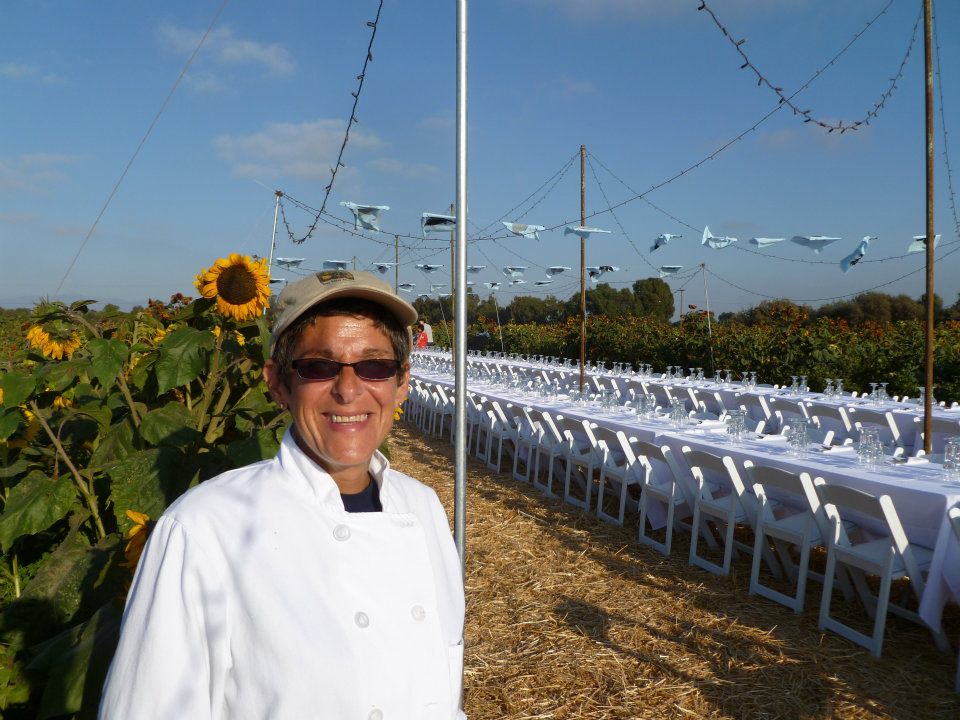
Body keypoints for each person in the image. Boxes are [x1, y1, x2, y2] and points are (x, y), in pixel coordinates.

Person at [99, 269, 466, 719]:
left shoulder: (422, 506)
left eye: (374, 366)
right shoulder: (204, 529)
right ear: (277, 384)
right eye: (318, 367)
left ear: (401, 382)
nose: (349, 390)